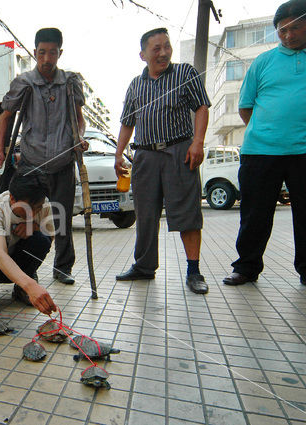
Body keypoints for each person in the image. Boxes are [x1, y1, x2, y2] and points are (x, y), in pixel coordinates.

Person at [114, 27, 211, 295]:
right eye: (156, 48)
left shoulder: (185, 73)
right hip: (144, 156)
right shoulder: (135, 84)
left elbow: (202, 106)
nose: (164, 52)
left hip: (179, 151)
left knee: (187, 213)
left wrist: (198, 142)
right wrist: (118, 152)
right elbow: (127, 122)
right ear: (143, 55)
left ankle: (194, 271)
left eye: (166, 46)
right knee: (145, 215)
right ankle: (144, 267)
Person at [0, 28, 87, 285]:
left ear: (60, 53)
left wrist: (79, 136)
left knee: (61, 218)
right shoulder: (24, 82)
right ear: (35, 52)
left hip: (63, 162)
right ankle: (26, 266)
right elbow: (6, 117)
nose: (47, 58)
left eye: (53, 53)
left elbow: (79, 119)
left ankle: (63, 267)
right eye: (42, 52)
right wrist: (1, 151)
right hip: (31, 163)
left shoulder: (70, 82)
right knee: (25, 214)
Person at [223, 0, 306, 287]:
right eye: (282, 30)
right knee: (255, 214)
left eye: (295, 28)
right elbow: (246, 107)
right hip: (261, 151)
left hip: (303, 153)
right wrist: (269, 131)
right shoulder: (263, 62)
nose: (288, 35)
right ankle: (246, 267)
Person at [0, 172, 57, 315]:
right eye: (28, 208)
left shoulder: (43, 204)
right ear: (12, 198)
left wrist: (34, 227)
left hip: (18, 266)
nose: (33, 213)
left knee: (42, 240)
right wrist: (31, 286)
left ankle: (20, 288)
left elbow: (50, 238)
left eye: (38, 208)